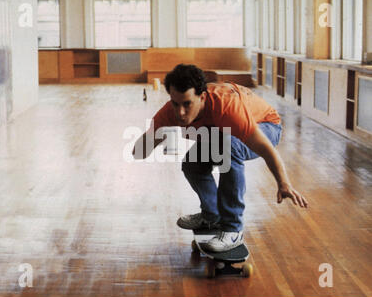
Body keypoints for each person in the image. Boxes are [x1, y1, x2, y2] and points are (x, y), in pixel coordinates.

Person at [132, 64, 308, 252]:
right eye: (175, 103)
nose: (180, 112)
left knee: (228, 147)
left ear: (202, 97)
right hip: (221, 134)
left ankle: (233, 230)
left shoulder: (227, 107)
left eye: (187, 104)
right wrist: (151, 141)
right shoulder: (169, 113)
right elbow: (138, 152)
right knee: (192, 163)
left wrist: (283, 183)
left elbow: (266, 149)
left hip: (266, 126)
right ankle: (212, 215)